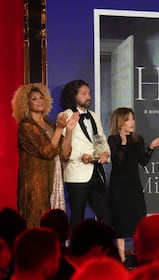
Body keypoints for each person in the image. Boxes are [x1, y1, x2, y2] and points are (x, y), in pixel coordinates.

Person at [11, 83, 77, 227]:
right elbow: (47, 151)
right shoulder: (26, 127)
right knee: (37, 222)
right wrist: (60, 128)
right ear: (26, 103)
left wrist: (69, 131)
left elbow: (65, 153)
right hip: (37, 185)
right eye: (34, 98)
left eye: (41, 97)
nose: (39, 101)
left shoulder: (49, 124)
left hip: (54, 178)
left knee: (55, 223)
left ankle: (55, 248)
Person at [107, 107, 159, 261]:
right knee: (119, 219)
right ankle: (121, 257)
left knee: (138, 217)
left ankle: (140, 255)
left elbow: (143, 162)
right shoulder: (113, 139)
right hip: (118, 187)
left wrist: (151, 148)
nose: (132, 122)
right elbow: (118, 162)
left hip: (134, 185)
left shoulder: (138, 139)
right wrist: (124, 143)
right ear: (120, 122)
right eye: (127, 119)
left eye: (133, 118)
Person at [59, 79, 112, 228]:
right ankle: (75, 250)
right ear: (74, 96)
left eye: (89, 93)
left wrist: (105, 154)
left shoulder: (94, 116)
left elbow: (101, 139)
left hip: (96, 173)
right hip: (76, 174)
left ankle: (102, 249)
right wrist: (80, 156)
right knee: (77, 217)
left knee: (105, 215)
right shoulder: (65, 116)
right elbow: (63, 147)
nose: (88, 96)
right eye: (83, 94)